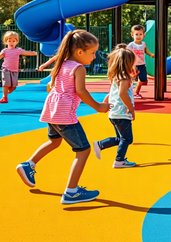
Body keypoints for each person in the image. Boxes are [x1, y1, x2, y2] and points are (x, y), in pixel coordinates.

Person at [15, 30, 111, 205]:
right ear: (80, 52)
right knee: (83, 150)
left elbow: (52, 86)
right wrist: (98, 106)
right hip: (64, 114)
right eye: (93, 53)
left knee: (54, 141)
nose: (95, 56)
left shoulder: (62, 63)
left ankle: (29, 164)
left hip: (52, 111)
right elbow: (81, 91)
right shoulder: (78, 68)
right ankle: (71, 192)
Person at [94, 47, 137, 168]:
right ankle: (119, 161)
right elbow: (122, 94)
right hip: (121, 113)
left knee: (120, 138)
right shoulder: (124, 77)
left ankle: (100, 144)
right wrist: (131, 109)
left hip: (114, 113)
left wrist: (106, 100)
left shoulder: (117, 76)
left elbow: (112, 92)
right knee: (127, 139)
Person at [0, 31, 37, 103]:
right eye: (9, 40)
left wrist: (35, 53)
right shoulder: (5, 51)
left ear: (16, 42)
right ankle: (4, 97)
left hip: (14, 70)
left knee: (13, 87)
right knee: (6, 84)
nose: (11, 42)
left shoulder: (18, 50)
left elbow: (27, 52)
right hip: (6, 69)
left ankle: (6, 93)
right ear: (6, 41)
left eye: (13, 41)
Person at [127, 25, 155, 99]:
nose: (138, 36)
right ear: (132, 35)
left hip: (142, 65)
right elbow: (127, 54)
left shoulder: (143, 44)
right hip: (133, 65)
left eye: (140, 34)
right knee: (130, 79)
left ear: (144, 35)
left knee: (143, 80)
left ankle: (136, 91)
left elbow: (146, 51)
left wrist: (152, 55)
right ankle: (132, 92)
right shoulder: (131, 45)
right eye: (136, 34)